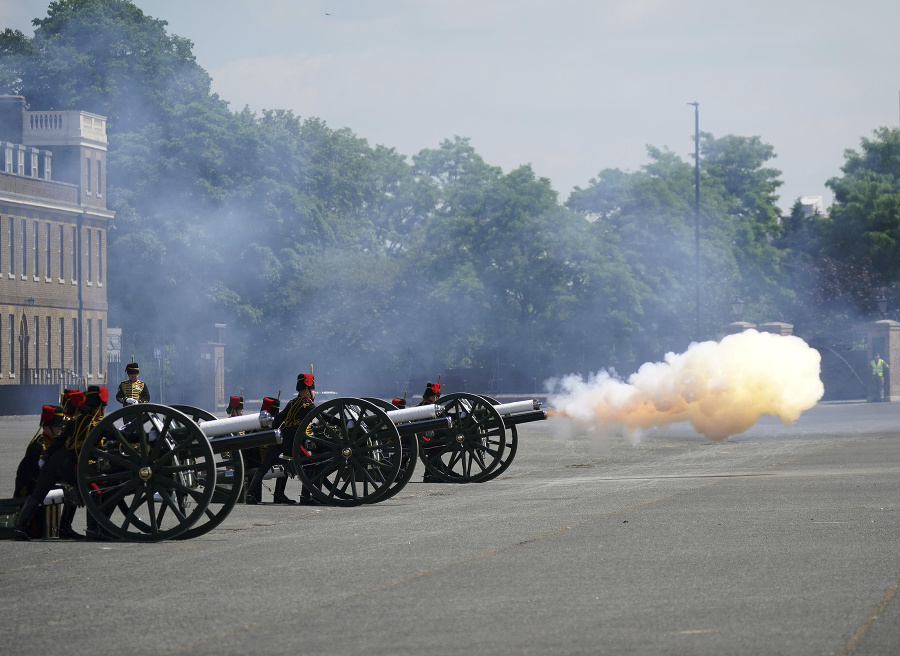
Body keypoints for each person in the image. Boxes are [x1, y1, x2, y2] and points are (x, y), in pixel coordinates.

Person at [14, 386, 108, 541]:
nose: (104, 409)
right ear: (98, 406)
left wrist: (46, 456)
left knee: (37, 495)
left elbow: (59, 439)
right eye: (103, 406)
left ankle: (20, 528)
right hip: (68, 464)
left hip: (54, 461)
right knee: (94, 492)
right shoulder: (95, 424)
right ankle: (92, 530)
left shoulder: (75, 421)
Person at [247, 375, 317, 505]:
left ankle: (251, 494)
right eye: (313, 390)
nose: (314, 393)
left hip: (279, 439)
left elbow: (279, 418)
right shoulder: (308, 405)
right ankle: (306, 496)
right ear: (308, 390)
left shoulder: (291, 402)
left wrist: (270, 434)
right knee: (311, 463)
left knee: (265, 466)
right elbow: (324, 416)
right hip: (293, 442)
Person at [13, 405, 69, 499]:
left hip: (53, 494)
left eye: (61, 425)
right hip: (36, 494)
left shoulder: (58, 444)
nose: (60, 428)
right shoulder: (37, 447)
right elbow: (23, 475)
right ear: (46, 427)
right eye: (56, 426)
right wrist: (20, 498)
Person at [417, 382, 443, 482]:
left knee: (436, 447)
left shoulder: (424, 404)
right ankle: (430, 475)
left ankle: (436, 473)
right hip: (421, 436)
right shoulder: (427, 407)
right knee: (435, 448)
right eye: (435, 396)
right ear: (432, 396)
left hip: (426, 435)